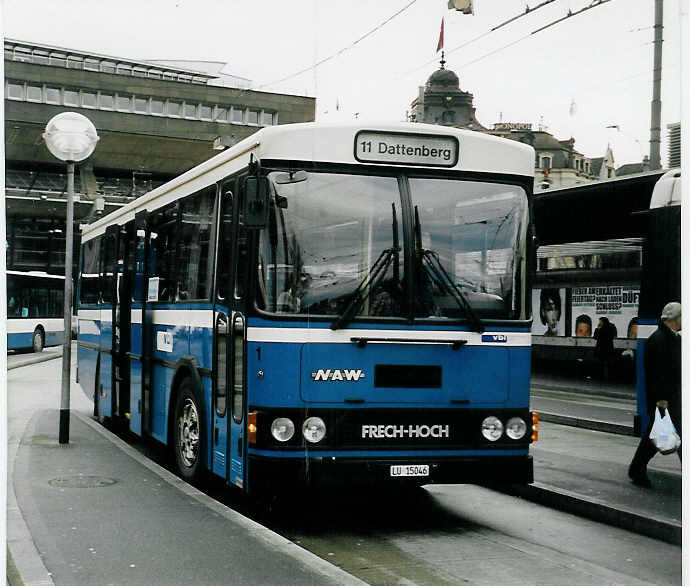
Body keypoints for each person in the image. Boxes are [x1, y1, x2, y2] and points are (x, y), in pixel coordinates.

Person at [628, 302, 682, 488]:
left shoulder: (671, 338)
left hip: (671, 397)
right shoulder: (660, 340)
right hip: (665, 399)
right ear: (675, 318)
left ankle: (636, 469)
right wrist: (661, 399)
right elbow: (658, 373)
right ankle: (636, 469)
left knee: (654, 437)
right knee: (658, 437)